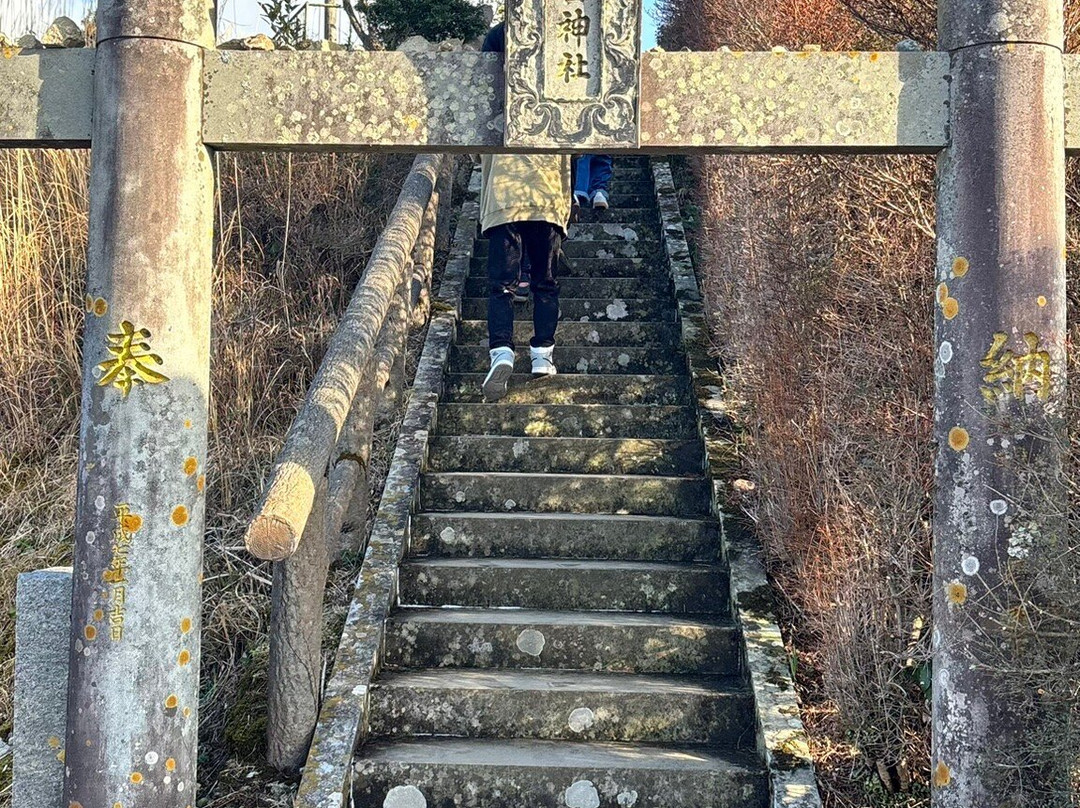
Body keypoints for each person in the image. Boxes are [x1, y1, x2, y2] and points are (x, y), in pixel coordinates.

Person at [480, 22, 572, 401]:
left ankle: (501, 351)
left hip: (504, 188)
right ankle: (541, 355)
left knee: (501, 284)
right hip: (547, 190)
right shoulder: (566, 56)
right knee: (545, 281)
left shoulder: (497, 43)